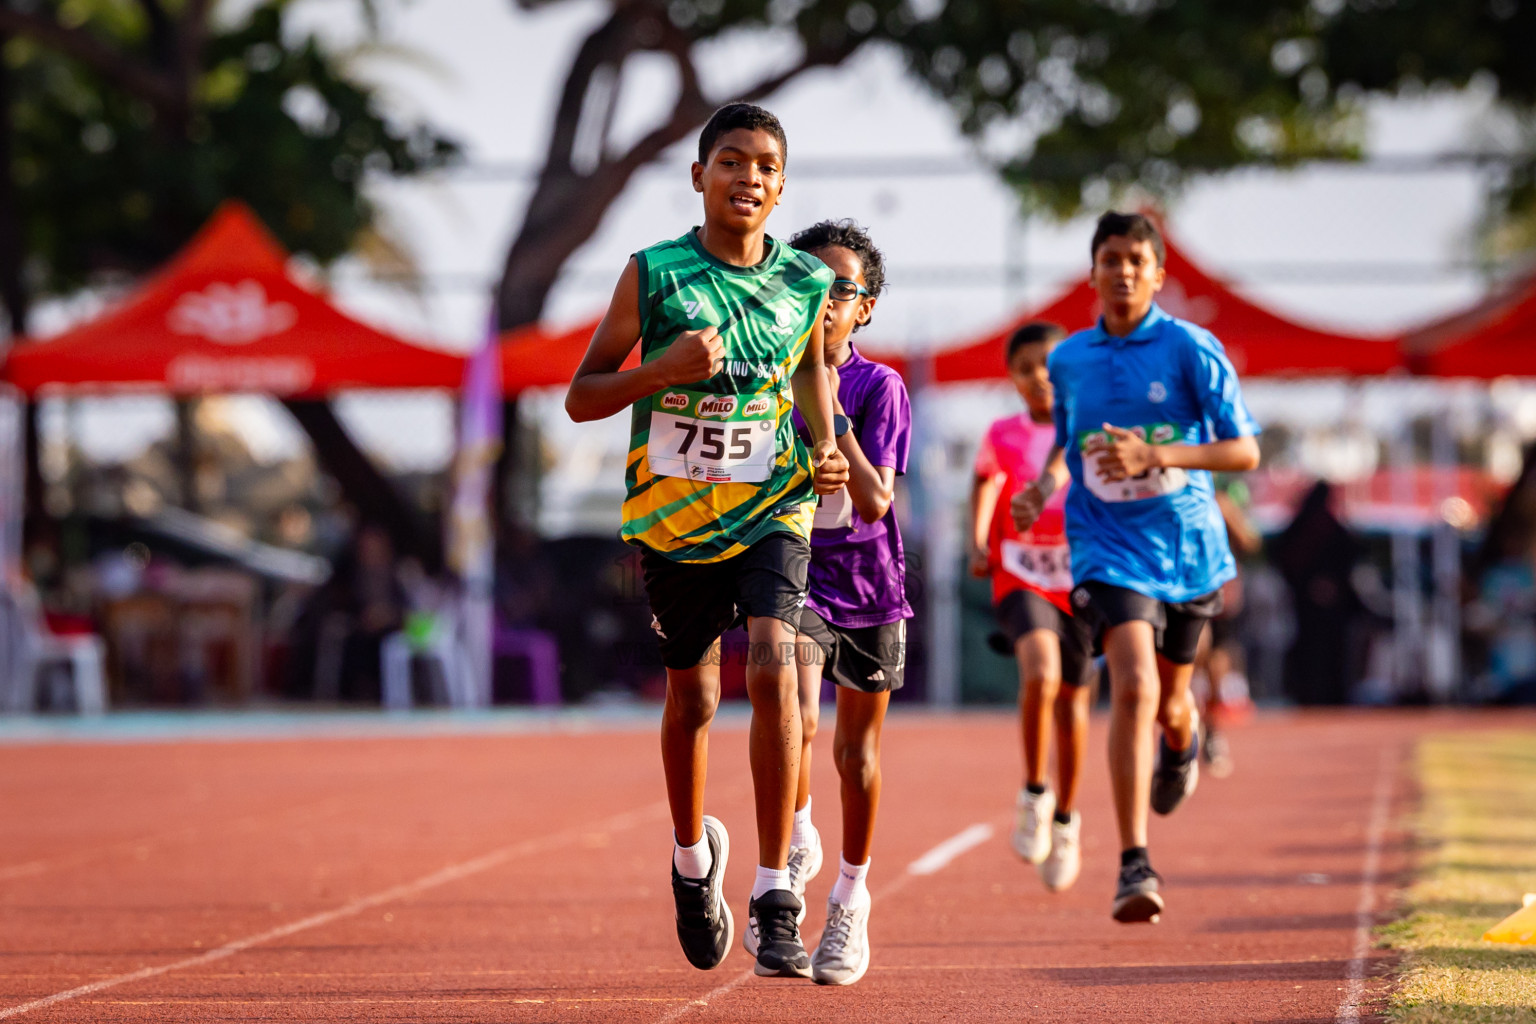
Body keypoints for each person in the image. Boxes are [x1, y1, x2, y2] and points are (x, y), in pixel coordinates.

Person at [565, 102, 849, 978]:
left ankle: (775, 895)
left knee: (772, 660)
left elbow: (809, 383)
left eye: (765, 166)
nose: (748, 178)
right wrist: (660, 372)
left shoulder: (805, 282)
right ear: (699, 177)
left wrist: (830, 449)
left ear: (781, 185)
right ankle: (694, 865)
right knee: (691, 702)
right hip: (673, 523)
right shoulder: (652, 276)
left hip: (772, 506)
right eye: (731, 161)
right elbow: (582, 395)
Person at [1013, 211, 1260, 924]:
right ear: (1092, 272)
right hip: (1105, 545)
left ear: (1157, 274)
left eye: (1135, 260)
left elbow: (1242, 453)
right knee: (1132, 682)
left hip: (1187, 550)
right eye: (1110, 257)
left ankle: (1182, 739)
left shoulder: (1192, 350)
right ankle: (1133, 863)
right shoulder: (1069, 360)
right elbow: (1069, 442)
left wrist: (1159, 455)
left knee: (1172, 701)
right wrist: (1042, 485)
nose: (1122, 270)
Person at [779, 220, 910, 986]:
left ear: (864, 308)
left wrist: (837, 424)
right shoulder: (770, 381)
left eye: (843, 290)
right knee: (792, 702)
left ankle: (852, 898)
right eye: (812, 285)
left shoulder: (878, 387)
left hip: (870, 588)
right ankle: (797, 836)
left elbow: (872, 501)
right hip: (794, 576)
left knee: (856, 755)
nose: (826, 301)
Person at [970, 322, 1094, 893]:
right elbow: (987, 484)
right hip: (1019, 570)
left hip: (1083, 577)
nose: (1039, 377)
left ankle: (1066, 821)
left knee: (1074, 704)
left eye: (1048, 364)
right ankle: (1034, 792)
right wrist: (977, 541)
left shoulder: (1091, 426)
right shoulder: (1004, 431)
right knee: (1040, 673)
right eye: (1025, 368)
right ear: (1013, 379)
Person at [1191, 483, 1262, 776]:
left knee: (1214, 665)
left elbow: (1250, 544)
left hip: (1220, 597)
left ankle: (1212, 733)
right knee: (1186, 661)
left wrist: (1229, 514)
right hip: (1184, 591)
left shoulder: (1224, 496)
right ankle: (1176, 736)